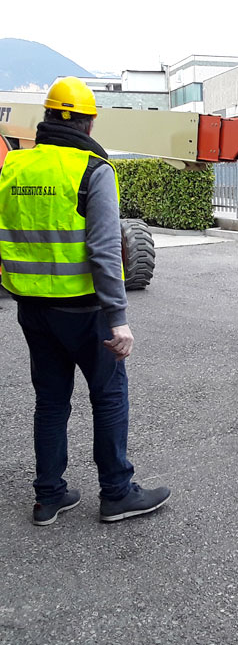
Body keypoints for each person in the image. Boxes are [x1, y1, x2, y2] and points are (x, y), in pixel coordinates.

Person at [0, 77, 170, 525]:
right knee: (109, 397)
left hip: (32, 309)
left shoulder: (13, 166)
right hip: (86, 312)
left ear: (47, 117)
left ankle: (49, 497)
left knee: (51, 402)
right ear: (89, 122)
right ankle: (116, 493)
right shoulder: (94, 170)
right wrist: (118, 318)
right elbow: (104, 249)